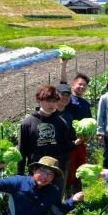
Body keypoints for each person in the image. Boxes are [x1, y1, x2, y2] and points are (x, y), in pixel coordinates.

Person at [18, 85, 74, 195]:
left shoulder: (61, 122)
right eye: (48, 101)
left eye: (54, 101)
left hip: (57, 171)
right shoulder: (28, 123)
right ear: (39, 101)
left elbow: (66, 146)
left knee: (55, 200)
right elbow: (22, 150)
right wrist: (19, 175)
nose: (51, 105)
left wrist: (77, 142)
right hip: (37, 170)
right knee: (36, 200)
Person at [59, 60, 93, 194]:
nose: (82, 87)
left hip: (81, 143)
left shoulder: (85, 103)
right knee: (69, 171)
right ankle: (67, 199)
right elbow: (62, 85)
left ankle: (78, 197)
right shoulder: (67, 99)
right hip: (70, 143)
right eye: (79, 84)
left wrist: (89, 134)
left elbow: (89, 121)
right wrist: (63, 65)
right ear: (72, 84)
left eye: (84, 86)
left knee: (80, 170)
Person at [55, 83, 86, 196]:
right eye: (62, 94)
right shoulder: (51, 114)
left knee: (70, 177)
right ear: (56, 95)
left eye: (67, 95)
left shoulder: (68, 115)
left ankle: (72, 203)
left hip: (68, 153)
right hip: (55, 155)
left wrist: (81, 138)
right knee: (57, 183)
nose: (65, 97)